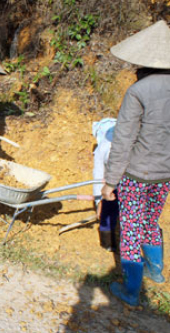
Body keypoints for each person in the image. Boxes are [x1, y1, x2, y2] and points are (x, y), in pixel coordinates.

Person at [100, 20, 170, 307]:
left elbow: (123, 140)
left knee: (130, 229)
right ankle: (157, 274)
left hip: (136, 175)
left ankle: (130, 291)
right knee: (151, 223)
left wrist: (110, 182)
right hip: (165, 175)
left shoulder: (138, 91)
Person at [92, 118, 119, 252]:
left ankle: (107, 244)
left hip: (115, 182)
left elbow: (97, 177)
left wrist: (99, 203)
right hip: (127, 180)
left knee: (107, 212)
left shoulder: (102, 148)